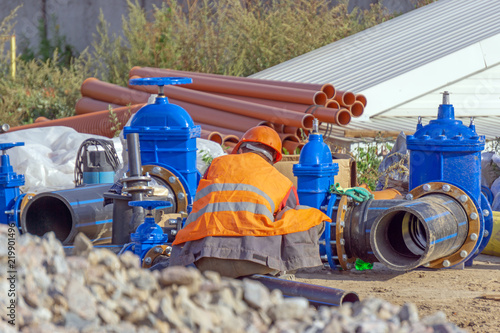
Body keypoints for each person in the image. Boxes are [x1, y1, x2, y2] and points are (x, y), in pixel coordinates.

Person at [169, 126, 331, 278]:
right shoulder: (281, 181)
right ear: (273, 157)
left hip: (203, 260)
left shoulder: (217, 165)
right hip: (255, 261)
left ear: (241, 148)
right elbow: (290, 219)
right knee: (305, 216)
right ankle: (279, 272)